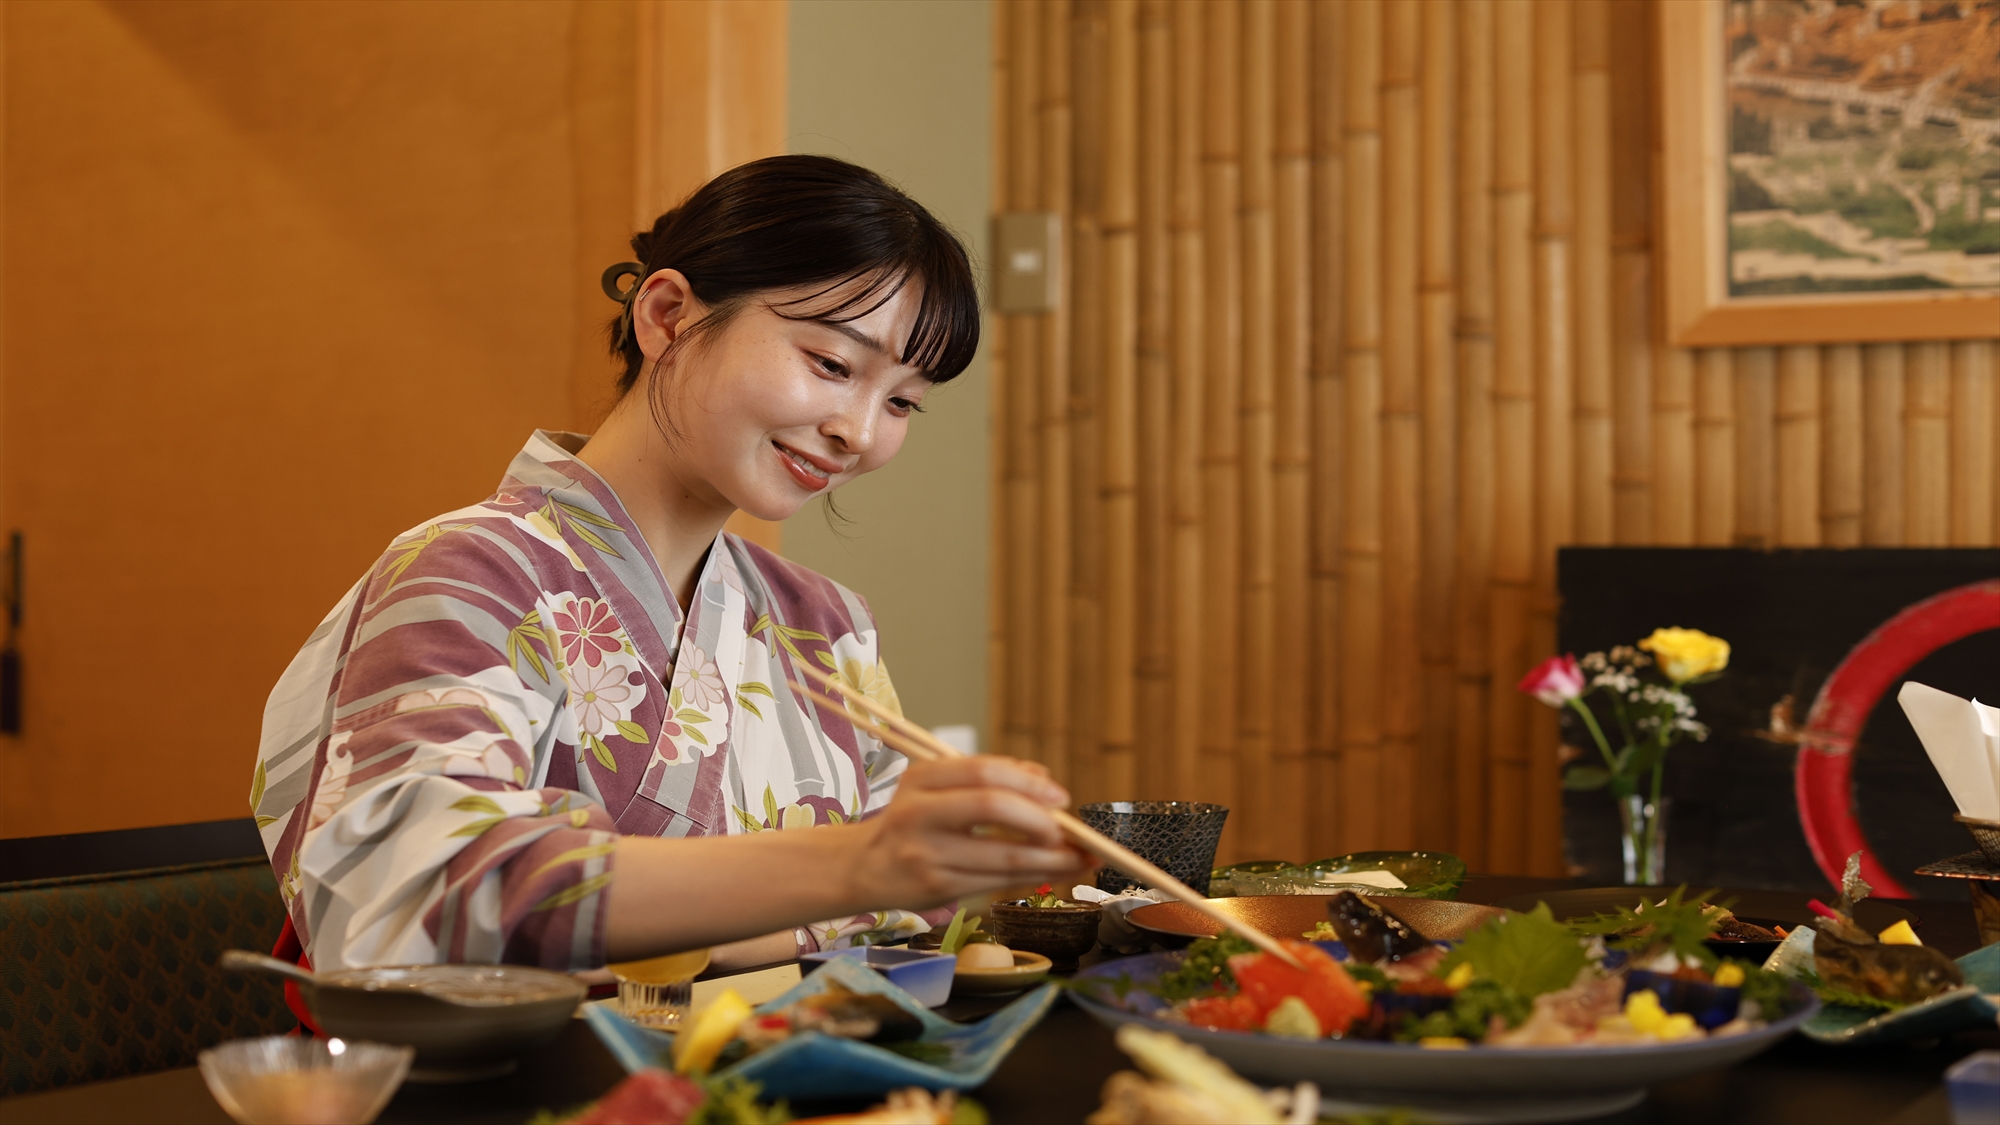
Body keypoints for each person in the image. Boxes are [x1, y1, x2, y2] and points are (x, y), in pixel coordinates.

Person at [252, 155, 1088, 977]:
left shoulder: (826, 624)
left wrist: (899, 870)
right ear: (668, 316)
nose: (860, 432)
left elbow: (911, 919)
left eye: (902, 400)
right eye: (832, 364)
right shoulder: (468, 571)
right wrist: (850, 872)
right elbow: (412, 890)